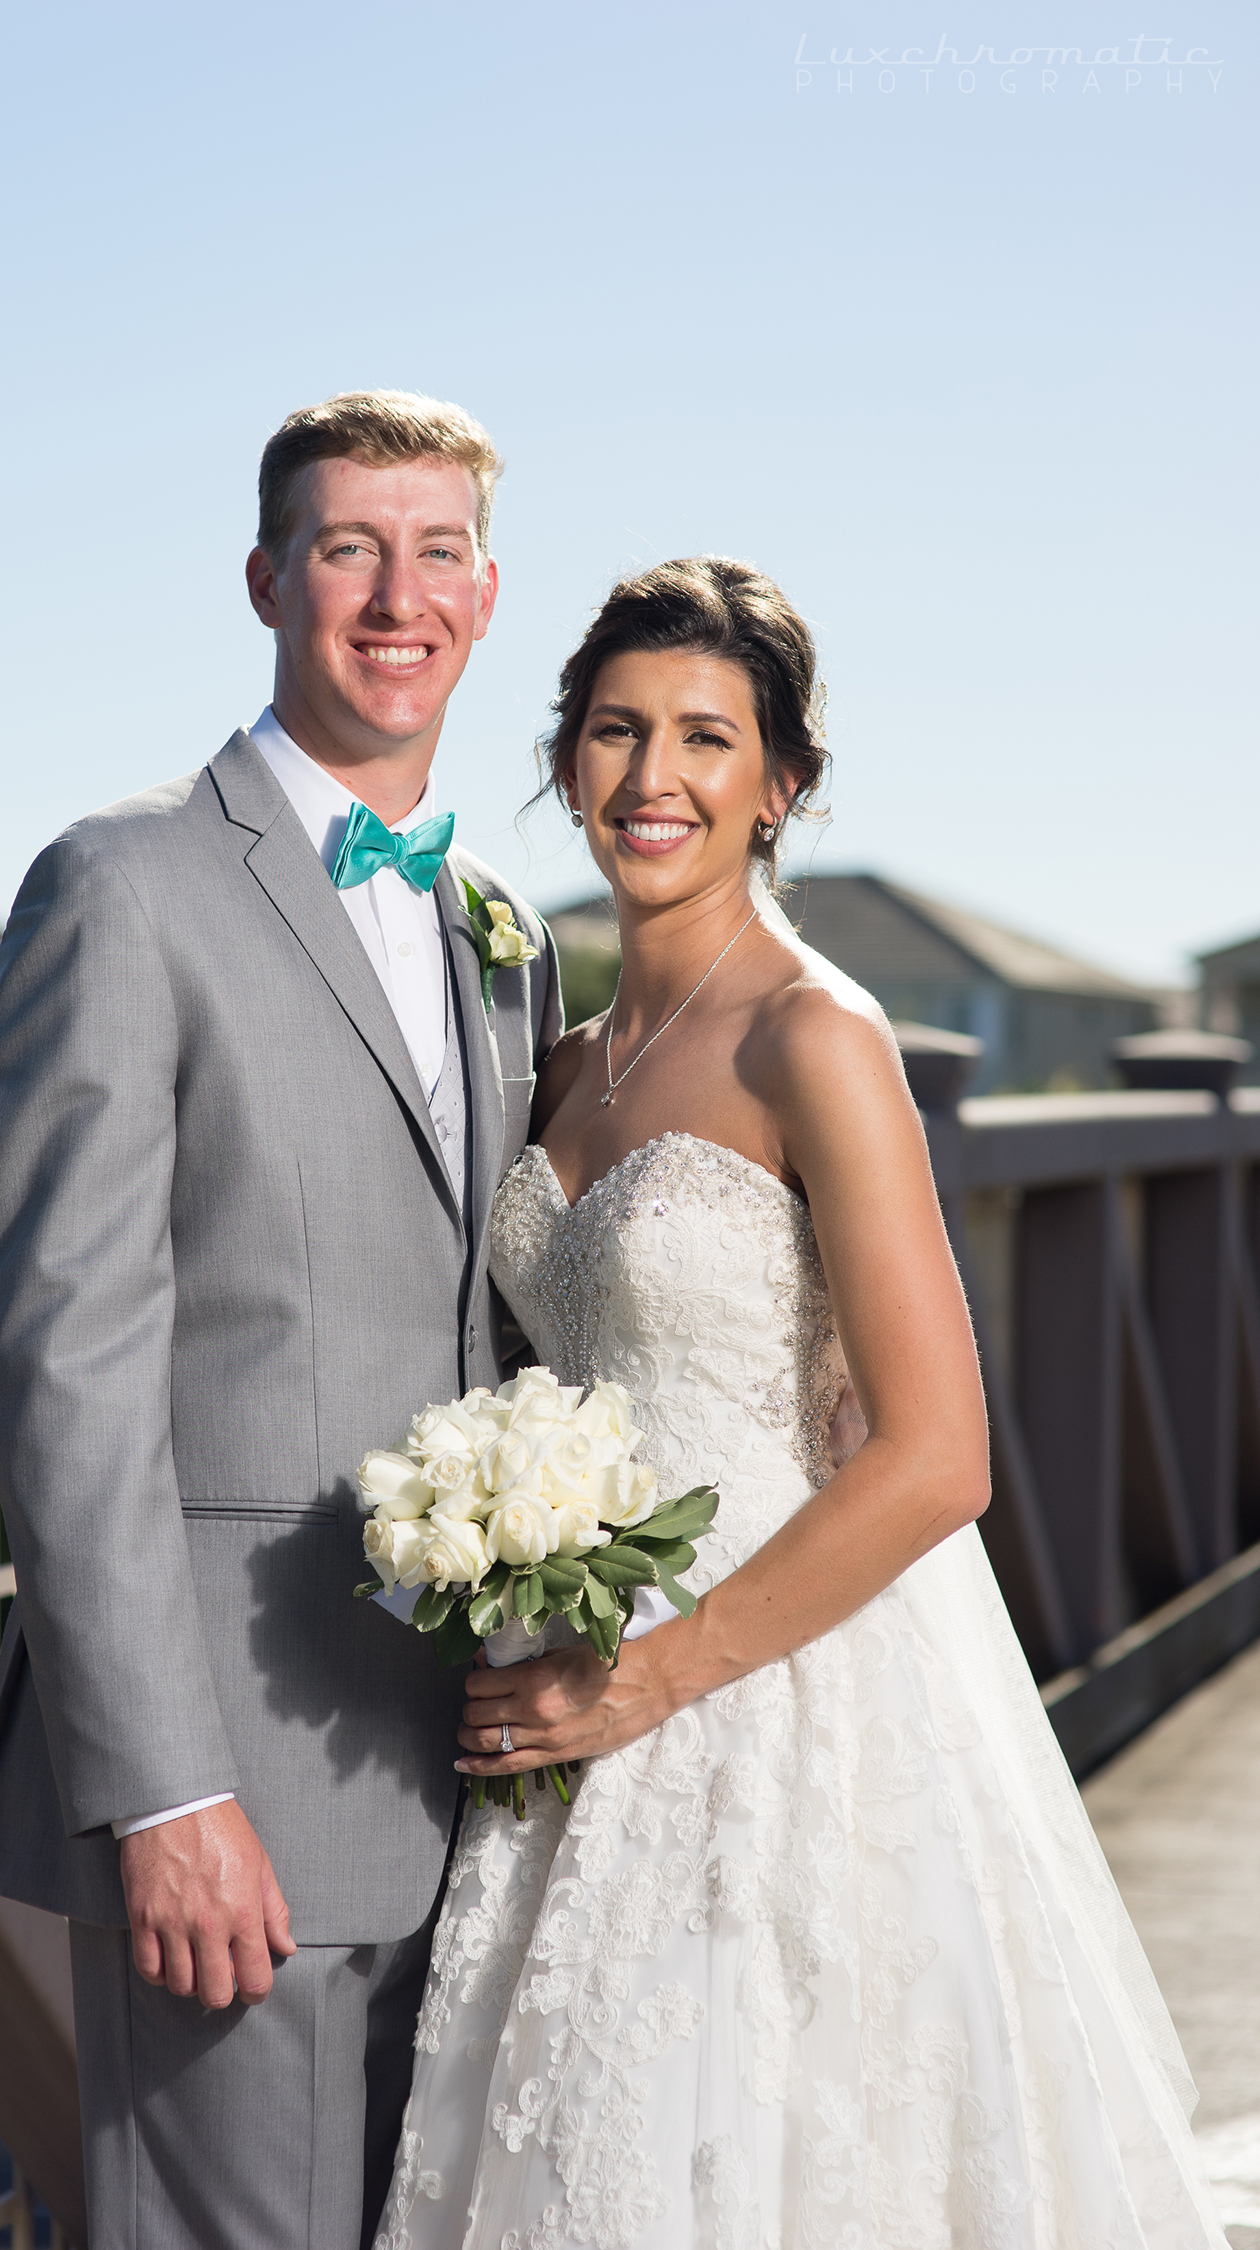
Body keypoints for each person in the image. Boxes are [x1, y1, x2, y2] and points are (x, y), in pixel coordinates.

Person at [374, 557, 1227, 2247]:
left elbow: (938, 1454)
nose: (652, 777)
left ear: (782, 784)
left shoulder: (814, 1037)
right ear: (564, 761)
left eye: (707, 737)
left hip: (767, 1686)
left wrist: (649, 1677)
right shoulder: (555, 1055)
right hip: (567, 1688)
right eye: (616, 731)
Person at [0, 389, 562, 2249]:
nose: (401, 595)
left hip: (473, 1763)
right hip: (241, 1785)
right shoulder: (121, 884)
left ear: (484, 588)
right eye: (350, 547)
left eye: (439, 549)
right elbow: (66, 1362)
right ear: (266, 578)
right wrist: (163, 1787)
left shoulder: (493, 922)